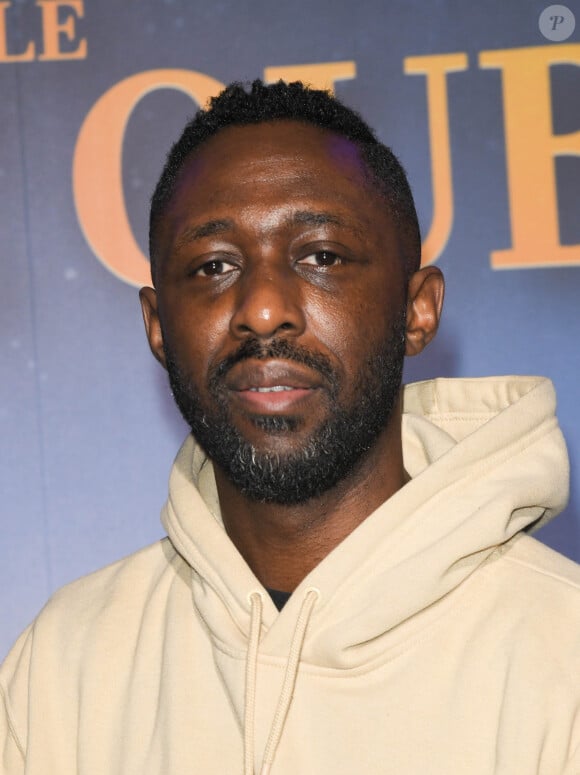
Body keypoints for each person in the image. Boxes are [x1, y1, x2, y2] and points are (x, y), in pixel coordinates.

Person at [1, 80, 579, 775]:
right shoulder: (65, 665)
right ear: (158, 327)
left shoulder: (561, 656)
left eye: (321, 256)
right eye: (215, 265)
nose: (265, 308)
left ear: (417, 311)